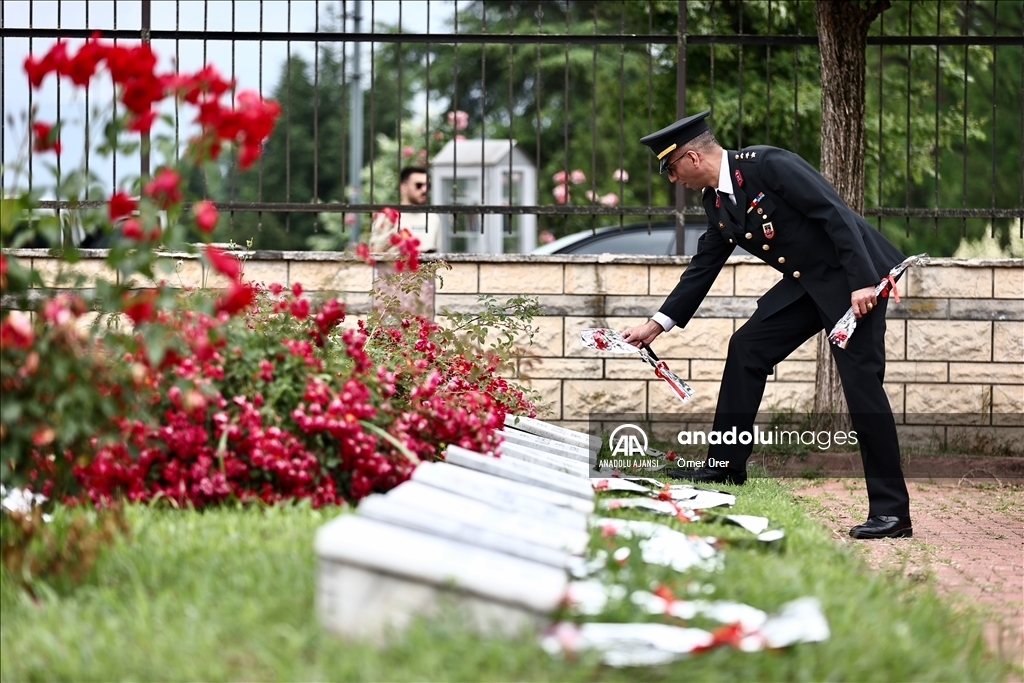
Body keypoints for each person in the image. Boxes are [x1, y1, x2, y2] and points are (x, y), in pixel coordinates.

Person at [623, 110, 912, 540]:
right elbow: (705, 264)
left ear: (691, 159)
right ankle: (726, 467)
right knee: (747, 348)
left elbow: (836, 215)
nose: (672, 180)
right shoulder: (716, 201)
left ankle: (892, 514)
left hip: (855, 279)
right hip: (807, 284)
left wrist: (863, 282)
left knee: (861, 386)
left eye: (671, 169)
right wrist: (657, 324)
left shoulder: (769, 164)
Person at [370, 166, 441, 253]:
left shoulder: (433, 218)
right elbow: (375, 252)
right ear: (404, 188)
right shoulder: (388, 217)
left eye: (428, 186)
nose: (424, 190)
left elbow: (437, 253)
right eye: (418, 185)